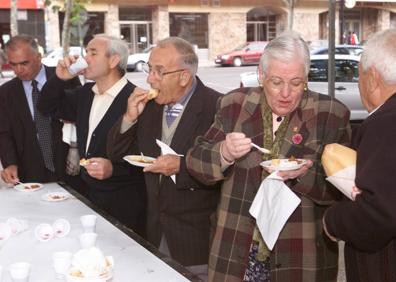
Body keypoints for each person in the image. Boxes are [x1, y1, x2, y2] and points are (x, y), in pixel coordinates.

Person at [186, 31, 351, 282]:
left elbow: (344, 190)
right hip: (236, 250)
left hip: (301, 255)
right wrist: (224, 153)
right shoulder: (234, 105)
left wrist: (305, 175)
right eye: (276, 82)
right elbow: (195, 162)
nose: (286, 93)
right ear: (261, 76)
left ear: (306, 78)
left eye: (296, 83)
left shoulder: (330, 114)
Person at [106, 37, 221, 280]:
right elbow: (116, 154)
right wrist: (129, 117)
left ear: (183, 76)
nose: (149, 79)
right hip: (156, 232)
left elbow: (225, 170)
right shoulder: (150, 107)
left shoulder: (218, 107)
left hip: (198, 241)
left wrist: (181, 166)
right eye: (150, 69)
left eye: (159, 71)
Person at [38, 34, 147, 236]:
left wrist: (114, 169)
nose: (85, 57)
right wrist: (59, 78)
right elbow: (46, 106)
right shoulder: (85, 94)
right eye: (85, 52)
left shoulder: (137, 99)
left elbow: (146, 158)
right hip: (88, 196)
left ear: (113, 60)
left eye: (93, 52)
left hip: (125, 203)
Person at [323, 29, 396, 282]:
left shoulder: (385, 123)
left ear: (373, 78)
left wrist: (333, 222)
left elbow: (378, 214)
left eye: (359, 76)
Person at [0, 35, 80, 185]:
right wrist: (10, 163)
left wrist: (76, 148)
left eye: (24, 63)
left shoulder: (65, 78)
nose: (19, 70)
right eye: (13, 64)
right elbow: (4, 133)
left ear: (39, 57)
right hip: (29, 170)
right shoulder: (5, 93)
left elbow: (82, 117)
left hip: (69, 162)